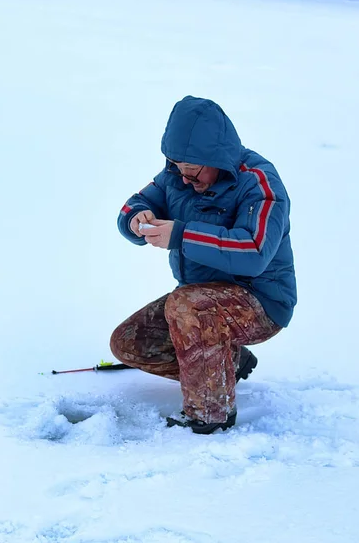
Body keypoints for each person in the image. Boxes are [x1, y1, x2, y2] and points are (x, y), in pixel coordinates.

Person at [110, 95, 297, 434]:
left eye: (192, 171)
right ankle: (229, 364)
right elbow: (134, 205)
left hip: (260, 301)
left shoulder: (258, 182)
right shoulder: (176, 175)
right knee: (128, 342)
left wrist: (182, 235)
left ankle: (210, 413)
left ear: (214, 158)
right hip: (199, 302)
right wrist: (136, 218)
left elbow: (255, 251)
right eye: (178, 169)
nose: (184, 179)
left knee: (188, 306)